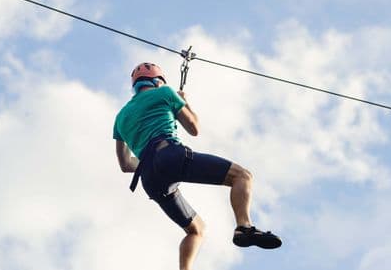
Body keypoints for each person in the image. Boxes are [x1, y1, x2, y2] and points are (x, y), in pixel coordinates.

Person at [113, 62, 282, 270]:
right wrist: (184, 102)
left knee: (196, 229)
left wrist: (151, 160)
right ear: (158, 81)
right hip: (169, 154)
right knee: (242, 176)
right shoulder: (165, 93)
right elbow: (194, 128)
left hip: (148, 177)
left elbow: (125, 164)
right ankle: (244, 227)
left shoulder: (120, 117)